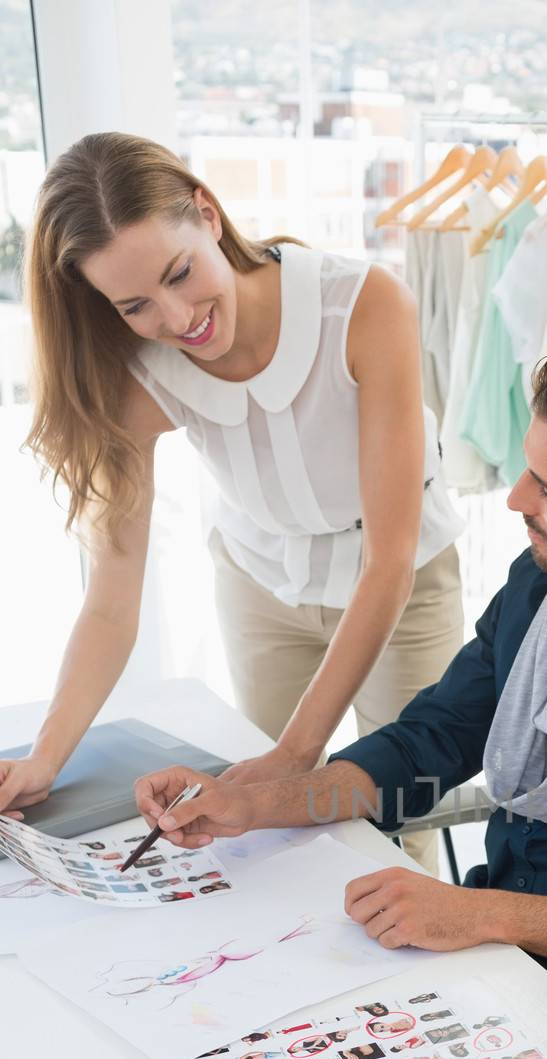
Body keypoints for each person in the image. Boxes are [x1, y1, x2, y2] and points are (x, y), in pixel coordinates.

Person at [135, 336, 547, 985]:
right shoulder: (542, 584)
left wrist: (478, 913)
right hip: (499, 955)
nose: (516, 498)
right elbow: (428, 742)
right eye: (527, 471)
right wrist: (250, 804)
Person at [1, 131, 463, 874]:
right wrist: (44, 759)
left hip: (398, 586)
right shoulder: (138, 376)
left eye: (180, 273)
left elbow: (390, 558)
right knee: (262, 837)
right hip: (260, 582)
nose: (179, 319)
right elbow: (112, 604)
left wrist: (296, 755)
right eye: (134, 306)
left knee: (399, 821)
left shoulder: (363, 305)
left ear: (208, 213)